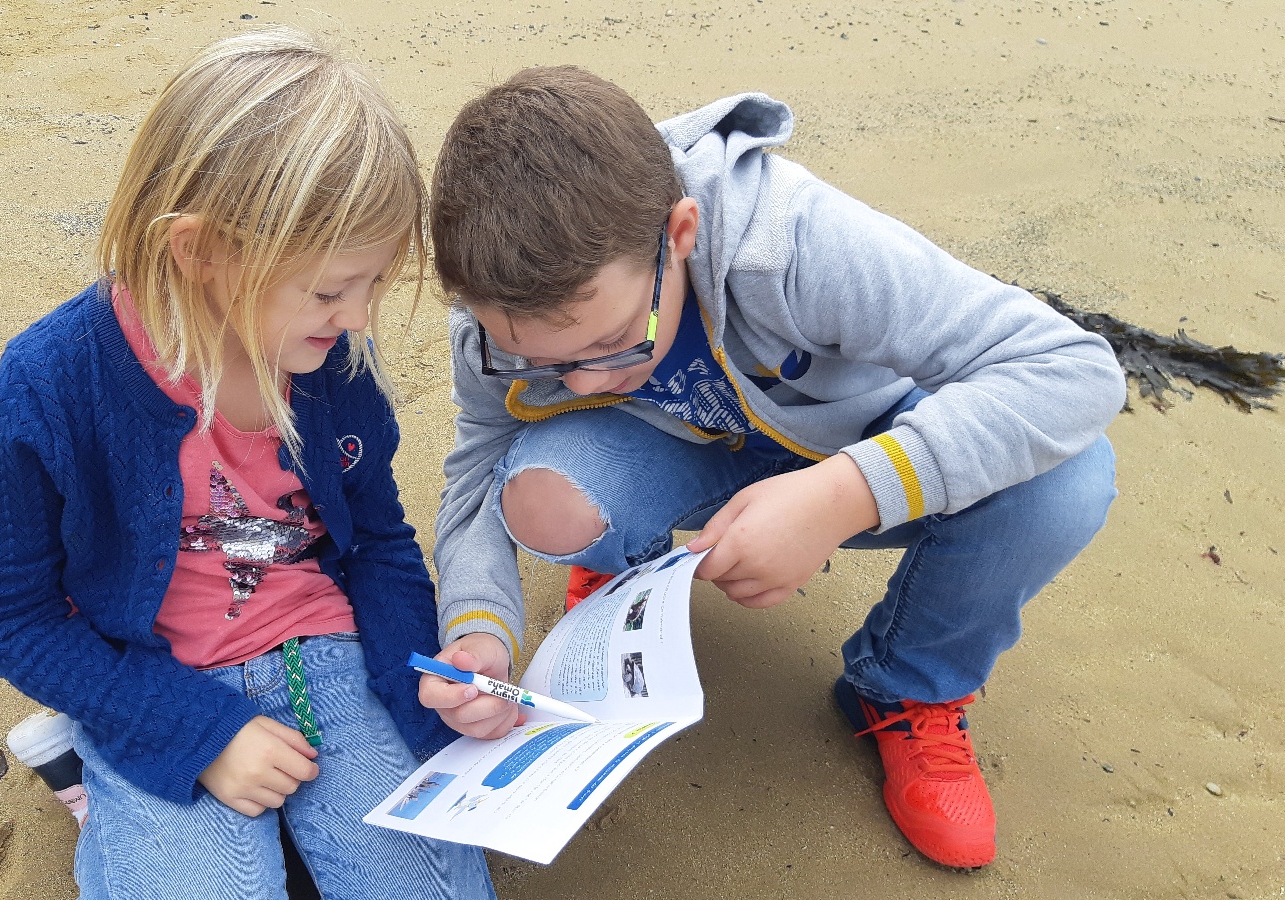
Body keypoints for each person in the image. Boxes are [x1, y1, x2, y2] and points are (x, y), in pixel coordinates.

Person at [417, 66, 1122, 870]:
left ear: (678, 234)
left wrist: (842, 496)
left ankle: (904, 690)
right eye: (544, 360)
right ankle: (622, 589)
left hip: (850, 439)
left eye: (616, 342)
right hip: (675, 448)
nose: (582, 381)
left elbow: (1075, 369)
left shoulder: (788, 238)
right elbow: (475, 470)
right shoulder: (492, 323)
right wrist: (477, 627)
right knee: (543, 500)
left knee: (1065, 483)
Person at [0, 28, 494, 900]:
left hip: (326, 655)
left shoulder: (333, 368)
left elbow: (379, 545)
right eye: (329, 291)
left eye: (375, 285)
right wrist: (195, 733)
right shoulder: (40, 395)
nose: (358, 320)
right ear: (202, 250)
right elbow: (10, 618)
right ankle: (96, 780)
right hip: (152, 674)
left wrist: (424, 692)